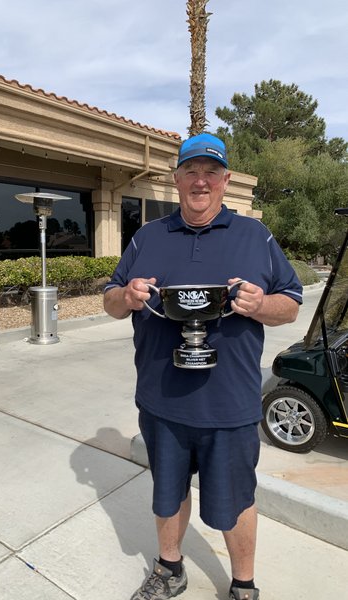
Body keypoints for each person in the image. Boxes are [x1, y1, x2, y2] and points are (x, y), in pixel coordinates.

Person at [103, 133, 303, 600]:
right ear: (175, 179)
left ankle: (243, 585)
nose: (200, 181)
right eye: (190, 171)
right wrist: (127, 296)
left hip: (229, 405)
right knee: (167, 492)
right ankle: (169, 569)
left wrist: (260, 304)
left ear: (225, 180)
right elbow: (110, 301)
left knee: (237, 499)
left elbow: (291, 304)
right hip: (162, 401)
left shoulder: (255, 235)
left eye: (211, 172)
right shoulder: (147, 236)